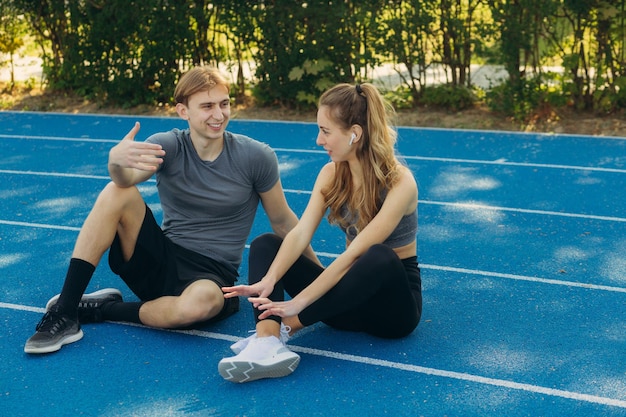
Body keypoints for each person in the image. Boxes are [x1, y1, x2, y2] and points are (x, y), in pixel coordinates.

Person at [24, 66, 318, 354]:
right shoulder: (167, 146)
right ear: (183, 111)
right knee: (116, 192)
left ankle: (104, 310)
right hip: (161, 258)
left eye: (224, 104)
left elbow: (282, 221)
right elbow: (125, 180)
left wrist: (319, 278)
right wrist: (115, 161)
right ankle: (64, 311)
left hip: (211, 275)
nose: (218, 115)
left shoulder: (256, 156)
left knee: (200, 304)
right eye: (207, 106)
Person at [218, 83, 423, 383]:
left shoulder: (399, 183)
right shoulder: (330, 174)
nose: (318, 140)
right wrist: (269, 280)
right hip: (347, 304)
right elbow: (300, 234)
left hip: (393, 312)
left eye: (326, 131)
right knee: (266, 244)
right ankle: (267, 340)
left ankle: (288, 327)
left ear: (355, 133)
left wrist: (299, 304)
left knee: (377, 255)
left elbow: (355, 255)